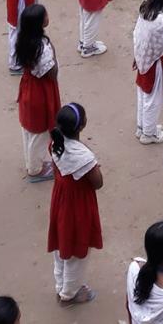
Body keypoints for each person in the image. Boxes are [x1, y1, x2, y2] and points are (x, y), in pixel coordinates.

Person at [47, 103, 103, 306]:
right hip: (77, 207)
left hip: (61, 201)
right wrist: (91, 158)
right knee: (76, 250)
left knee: (62, 246)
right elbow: (98, 183)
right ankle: (69, 294)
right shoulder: (84, 157)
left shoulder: (54, 142)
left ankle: (60, 285)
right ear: (82, 126)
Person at [15, 3, 60, 182]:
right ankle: (35, 169)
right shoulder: (43, 47)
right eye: (45, 15)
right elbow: (52, 72)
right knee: (39, 132)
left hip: (29, 87)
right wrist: (54, 54)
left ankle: (32, 162)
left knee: (29, 130)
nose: (48, 16)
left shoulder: (24, 40)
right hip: (41, 93)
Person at [134, 0, 163, 144]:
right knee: (153, 97)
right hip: (154, 61)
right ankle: (149, 133)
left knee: (143, 93)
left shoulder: (144, 9)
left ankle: (142, 126)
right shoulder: (160, 21)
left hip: (141, 56)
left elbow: (137, 33)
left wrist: (139, 54)